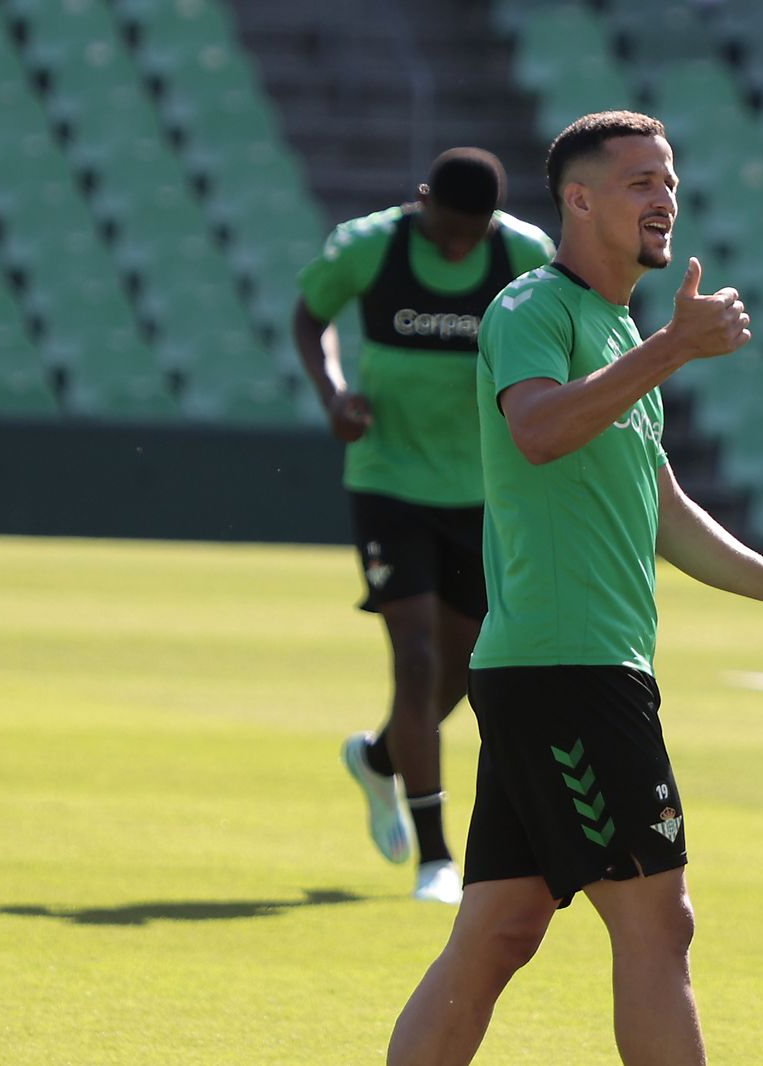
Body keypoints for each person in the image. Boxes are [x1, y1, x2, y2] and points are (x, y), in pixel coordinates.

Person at [385, 111, 763, 1065]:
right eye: (641, 181)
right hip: (570, 671)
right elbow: (537, 431)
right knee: (658, 923)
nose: (664, 197)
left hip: (560, 669)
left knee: (499, 932)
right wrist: (672, 348)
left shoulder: (620, 328)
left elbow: (664, 509)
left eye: (669, 180)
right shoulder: (535, 309)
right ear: (580, 200)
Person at [294, 148, 555, 904]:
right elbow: (309, 316)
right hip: (388, 482)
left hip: (484, 491)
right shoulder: (369, 246)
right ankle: (435, 855)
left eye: (474, 233)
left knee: (466, 669)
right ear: (421, 202)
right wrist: (333, 393)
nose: (460, 247)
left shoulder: (523, 255)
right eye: (448, 231)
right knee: (414, 655)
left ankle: (380, 757)